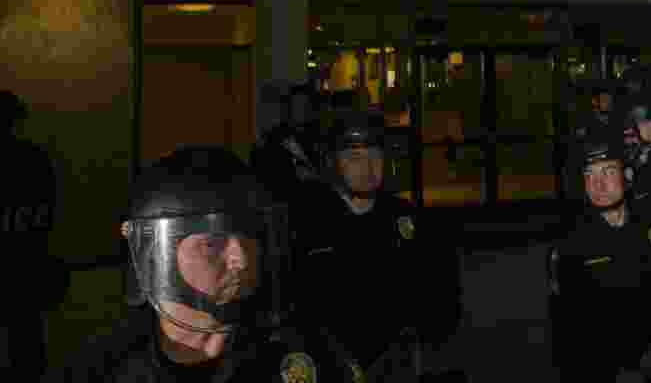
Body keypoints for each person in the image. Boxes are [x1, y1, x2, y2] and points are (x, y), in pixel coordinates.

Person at [43, 145, 347, 382]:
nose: (240, 259)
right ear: (154, 253)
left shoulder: (300, 356)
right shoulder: (99, 369)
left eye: (249, 237)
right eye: (212, 243)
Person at [291, 110, 461, 381]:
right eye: (354, 157)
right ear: (334, 162)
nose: (367, 167)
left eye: (375, 155)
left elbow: (444, 295)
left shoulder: (408, 220)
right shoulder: (307, 226)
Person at [550, 119, 651, 382]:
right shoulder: (571, 245)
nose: (598, 185)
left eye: (608, 172)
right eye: (590, 175)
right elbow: (568, 331)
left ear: (627, 176)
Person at [0, 90, 66, 381]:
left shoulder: (33, 159)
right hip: (25, 263)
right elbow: (46, 213)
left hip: (22, 261)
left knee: (24, 335)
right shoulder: (34, 159)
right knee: (25, 337)